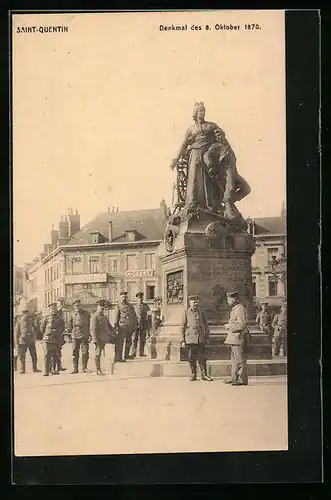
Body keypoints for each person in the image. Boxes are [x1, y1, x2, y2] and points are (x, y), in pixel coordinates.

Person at [171, 101, 250, 217]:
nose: (202, 113)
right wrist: (176, 159)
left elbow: (221, 137)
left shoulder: (211, 125)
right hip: (195, 155)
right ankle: (192, 204)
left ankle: (211, 205)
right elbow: (183, 145)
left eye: (203, 110)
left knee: (209, 182)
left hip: (209, 155)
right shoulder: (191, 129)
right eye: (200, 111)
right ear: (195, 113)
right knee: (194, 180)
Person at [180, 295, 213, 382]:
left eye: (197, 302)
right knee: (191, 357)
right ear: (190, 303)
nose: (195, 304)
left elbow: (206, 325)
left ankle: (204, 374)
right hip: (190, 338)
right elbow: (182, 327)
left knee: (202, 357)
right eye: (193, 302)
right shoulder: (186, 313)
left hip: (200, 338)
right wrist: (182, 340)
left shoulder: (201, 312)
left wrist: (207, 336)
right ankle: (193, 374)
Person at [223, 291, 251, 386]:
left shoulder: (239, 309)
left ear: (234, 299)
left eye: (229, 299)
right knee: (234, 360)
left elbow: (241, 325)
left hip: (238, 338)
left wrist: (228, 326)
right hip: (234, 338)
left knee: (239, 360)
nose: (228, 301)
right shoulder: (235, 309)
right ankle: (234, 378)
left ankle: (242, 380)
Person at [90, 299, 115, 375]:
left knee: (105, 354)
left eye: (103, 306)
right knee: (98, 354)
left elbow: (109, 325)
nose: (102, 308)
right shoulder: (95, 316)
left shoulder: (104, 316)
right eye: (100, 306)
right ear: (97, 307)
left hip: (105, 338)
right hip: (98, 339)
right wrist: (95, 339)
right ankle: (98, 370)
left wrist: (114, 331)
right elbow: (93, 329)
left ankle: (106, 368)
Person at [40, 303, 65, 376]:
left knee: (55, 354)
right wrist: (48, 333)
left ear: (57, 309)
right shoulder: (46, 318)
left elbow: (63, 328)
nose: (53, 310)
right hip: (47, 339)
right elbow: (42, 328)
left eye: (54, 309)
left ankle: (53, 370)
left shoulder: (60, 318)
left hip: (56, 339)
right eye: (52, 309)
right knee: (47, 355)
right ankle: (46, 371)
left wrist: (58, 333)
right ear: (49, 310)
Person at [14, 306, 41, 374]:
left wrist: (35, 337)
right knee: (22, 356)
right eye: (24, 313)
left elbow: (35, 328)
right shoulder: (19, 322)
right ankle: (23, 369)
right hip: (22, 341)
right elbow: (16, 333)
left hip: (31, 341)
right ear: (22, 314)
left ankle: (35, 368)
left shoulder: (31, 320)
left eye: (27, 313)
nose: (26, 314)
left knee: (34, 355)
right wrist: (16, 343)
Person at [67, 299, 92, 374]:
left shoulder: (86, 313)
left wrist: (89, 334)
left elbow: (89, 324)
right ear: (73, 306)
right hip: (75, 335)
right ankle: (75, 369)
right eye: (76, 305)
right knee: (75, 352)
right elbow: (69, 325)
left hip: (84, 335)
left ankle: (84, 368)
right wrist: (71, 333)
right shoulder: (71, 314)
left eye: (78, 305)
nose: (77, 307)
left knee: (85, 352)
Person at [114, 292, 138, 362]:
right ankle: (118, 357)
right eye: (122, 297)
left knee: (129, 342)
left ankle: (126, 355)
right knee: (120, 343)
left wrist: (136, 324)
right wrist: (116, 326)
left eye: (125, 297)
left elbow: (134, 315)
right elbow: (116, 317)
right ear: (120, 298)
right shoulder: (118, 306)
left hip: (129, 327)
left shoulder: (130, 306)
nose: (124, 298)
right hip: (122, 327)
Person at [130, 292, 150, 358]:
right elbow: (132, 317)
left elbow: (149, 316)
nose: (140, 299)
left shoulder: (146, 306)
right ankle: (133, 353)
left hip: (143, 325)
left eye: (141, 298)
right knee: (134, 339)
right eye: (139, 298)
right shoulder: (134, 307)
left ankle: (141, 353)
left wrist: (148, 326)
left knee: (142, 339)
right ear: (137, 299)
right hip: (136, 325)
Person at [51, 297, 67, 373]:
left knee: (58, 352)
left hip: (58, 335)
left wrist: (60, 332)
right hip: (52, 336)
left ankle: (59, 366)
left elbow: (62, 325)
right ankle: (54, 367)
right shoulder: (57, 312)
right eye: (59, 302)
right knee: (54, 352)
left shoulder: (59, 312)